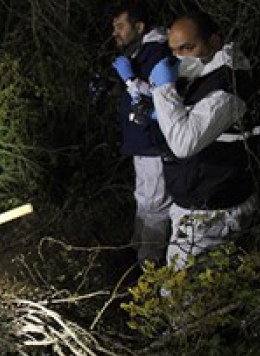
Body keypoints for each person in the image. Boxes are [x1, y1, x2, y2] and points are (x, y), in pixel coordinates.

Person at [150, 11, 260, 270]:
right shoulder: (208, 76)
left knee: (184, 300)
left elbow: (184, 143)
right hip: (202, 201)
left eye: (188, 48)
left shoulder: (228, 84)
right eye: (174, 51)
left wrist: (163, 91)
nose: (180, 57)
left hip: (212, 212)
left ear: (213, 42)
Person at [110, 3, 172, 266]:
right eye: (114, 27)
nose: (115, 32)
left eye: (120, 26)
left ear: (140, 27)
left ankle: (149, 265)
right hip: (141, 142)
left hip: (155, 142)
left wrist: (129, 79)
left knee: (156, 205)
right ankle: (136, 252)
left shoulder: (157, 52)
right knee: (144, 198)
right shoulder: (139, 52)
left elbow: (162, 97)